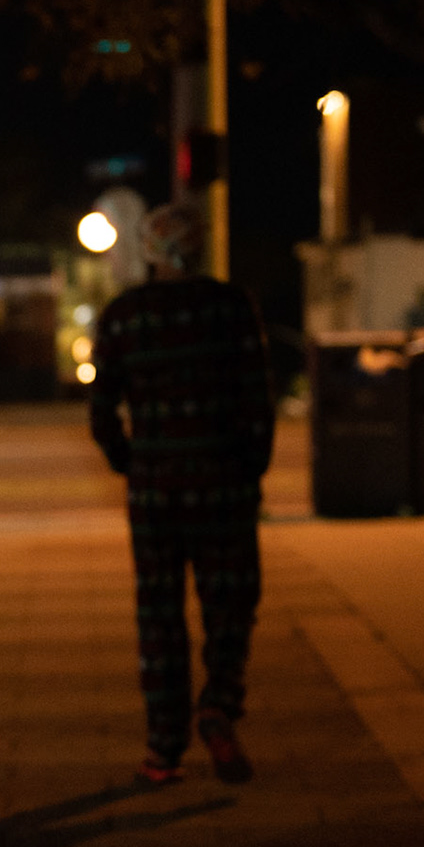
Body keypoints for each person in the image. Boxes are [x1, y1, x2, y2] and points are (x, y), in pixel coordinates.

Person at [88, 202, 273, 786]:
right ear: (198, 247)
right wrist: (250, 469)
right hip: (222, 484)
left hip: (155, 492)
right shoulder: (231, 307)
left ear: (148, 250)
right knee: (231, 602)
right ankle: (219, 702)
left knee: (159, 615)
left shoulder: (124, 316)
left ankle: (163, 749)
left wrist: (131, 461)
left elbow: (101, 409)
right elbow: (258, 398)